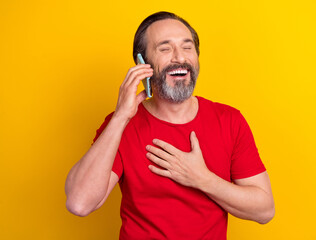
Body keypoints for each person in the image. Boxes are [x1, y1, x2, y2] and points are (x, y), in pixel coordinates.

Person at [65, 11, 275, 239]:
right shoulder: (121, 124)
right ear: (142, 64)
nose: (180, 57)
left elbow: (264, 210)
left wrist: (202, 179)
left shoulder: (229, 120)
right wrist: (120, 118)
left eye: (187, 48)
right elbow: (79, 203)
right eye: (165, 49)